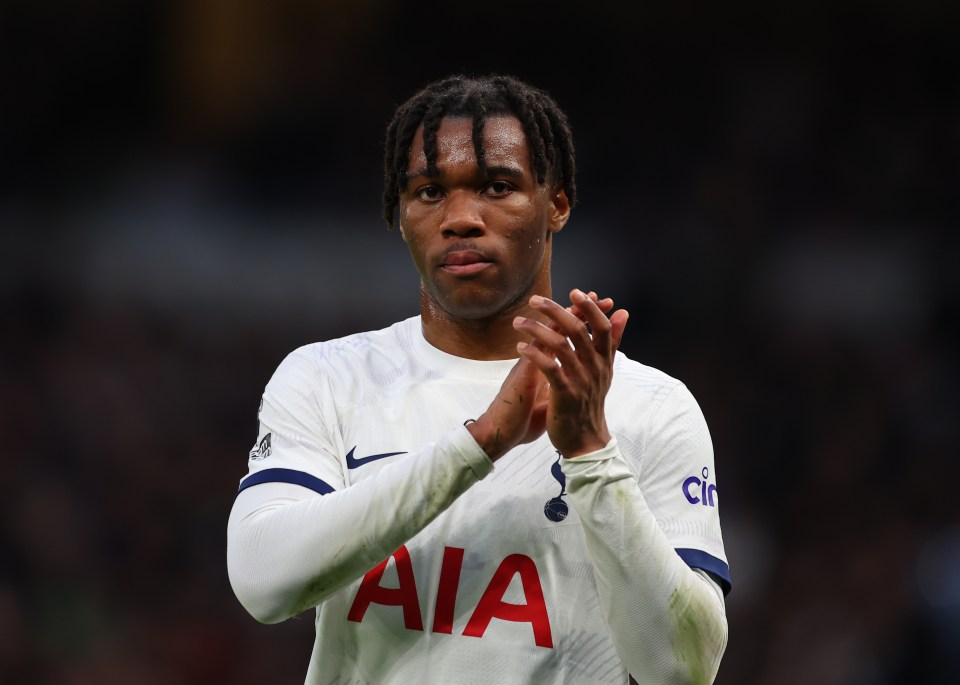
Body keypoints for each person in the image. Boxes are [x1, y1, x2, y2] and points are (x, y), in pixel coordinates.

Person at [227, 74, 730, 684]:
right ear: (400, 214)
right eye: (429, 191)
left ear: (557, 205)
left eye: (497, 187)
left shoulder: (653, 408)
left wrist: (592, 453)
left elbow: (683, 670)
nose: (460, 218)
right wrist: (480, 442)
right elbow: (262, 583)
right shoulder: (329, 379)